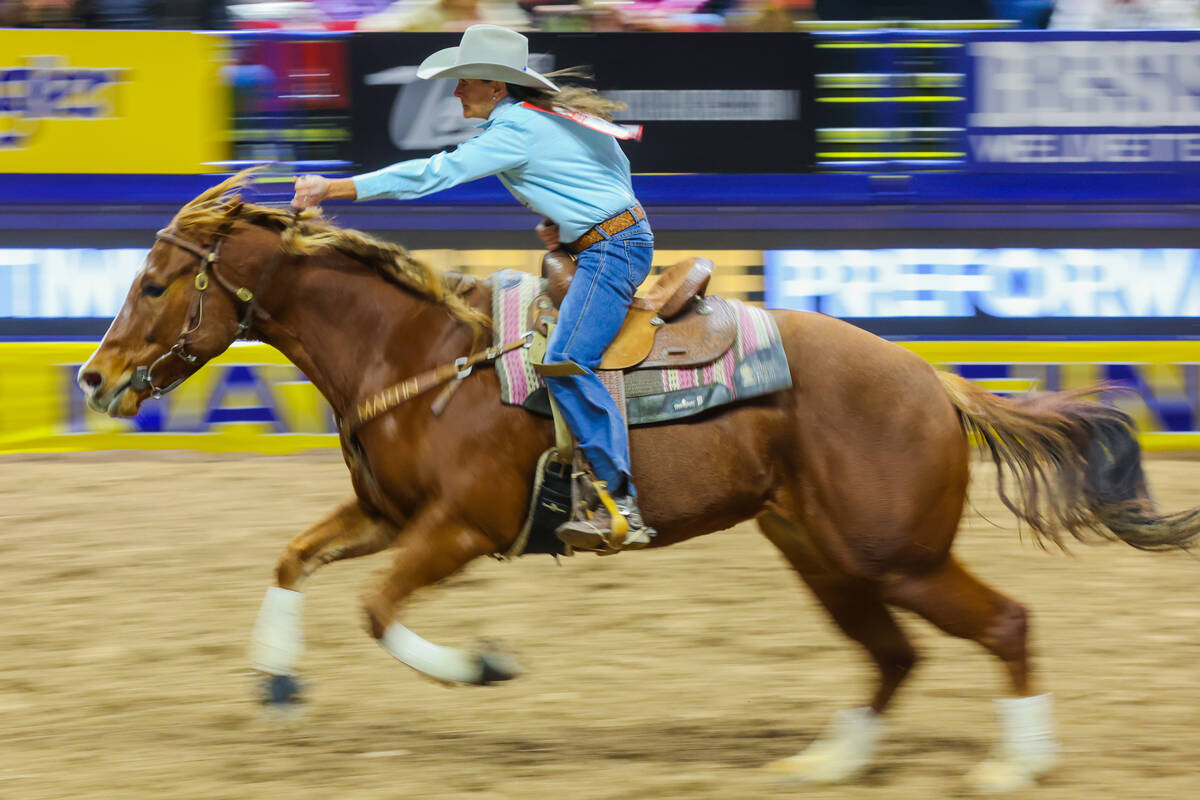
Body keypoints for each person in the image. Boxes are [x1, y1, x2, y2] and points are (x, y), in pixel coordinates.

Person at [291, 24, 654, 551]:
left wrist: (337, 186)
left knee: (568, 359)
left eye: (465, 81)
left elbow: (435, 174)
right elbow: (616, 170)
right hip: (612, 242)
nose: (456, 91)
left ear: (497, 88)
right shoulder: (553, 116)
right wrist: (576, 219)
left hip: (609, 250)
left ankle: (619, 501)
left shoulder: (515, 130)